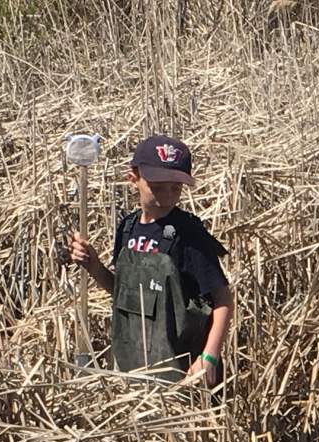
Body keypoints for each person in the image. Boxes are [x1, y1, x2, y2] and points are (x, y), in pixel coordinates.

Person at [70, 134, 232, 387]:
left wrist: (208, 357)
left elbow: (223, 300)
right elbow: (123, 293)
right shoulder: (127, 228)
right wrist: (94, 267)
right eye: (157, 186)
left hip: (183, 372)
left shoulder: (189, 234)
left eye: (175, 188)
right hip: (132, 369)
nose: (167, 195)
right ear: (133, 177)